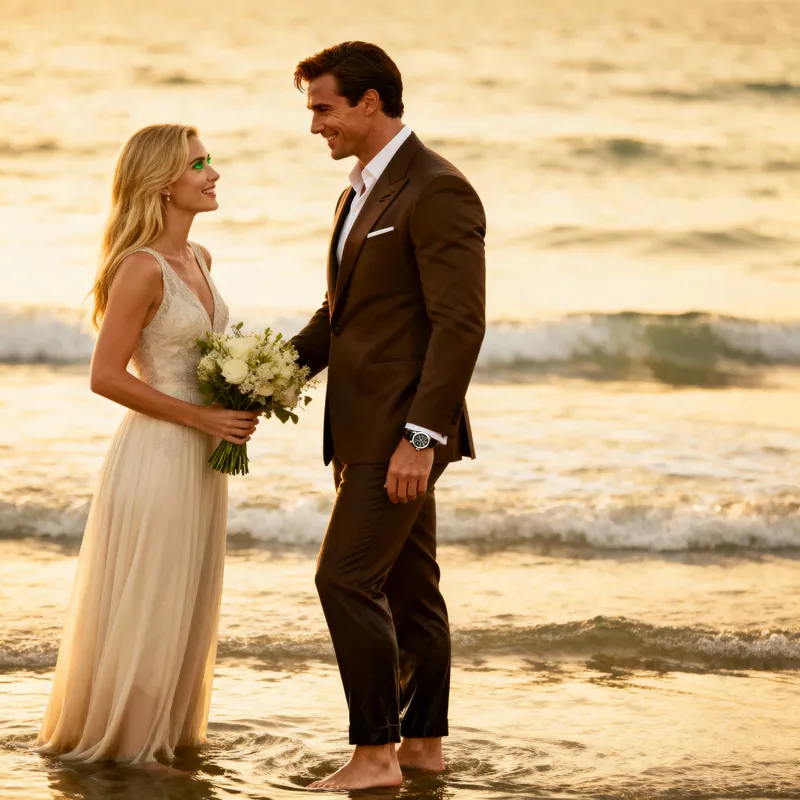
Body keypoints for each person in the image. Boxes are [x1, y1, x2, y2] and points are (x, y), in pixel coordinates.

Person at [290, 42, 486, 791]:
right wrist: (260, 378)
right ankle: (424, 748)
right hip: (360, 430)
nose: (315, 125)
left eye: (323, 108)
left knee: (342, 579)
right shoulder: (355, 193)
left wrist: (421, 439)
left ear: (370, 102)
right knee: (409, 589)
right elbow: (341, 317)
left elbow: (459, 325)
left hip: (401, 434)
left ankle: (374, 758)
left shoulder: (437, 189)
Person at [35, 124, 258, 769]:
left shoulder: (203, 259)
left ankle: (166, 734)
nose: (213, 174)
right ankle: (129, 748)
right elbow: (106, 376)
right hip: (158, 454)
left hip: (200, 459)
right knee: (152, 595)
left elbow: (205, 357)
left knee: (186, 592)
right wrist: (201, 417)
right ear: (163, 183)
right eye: (200, 164)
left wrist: (240, 396)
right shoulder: (139, 268)